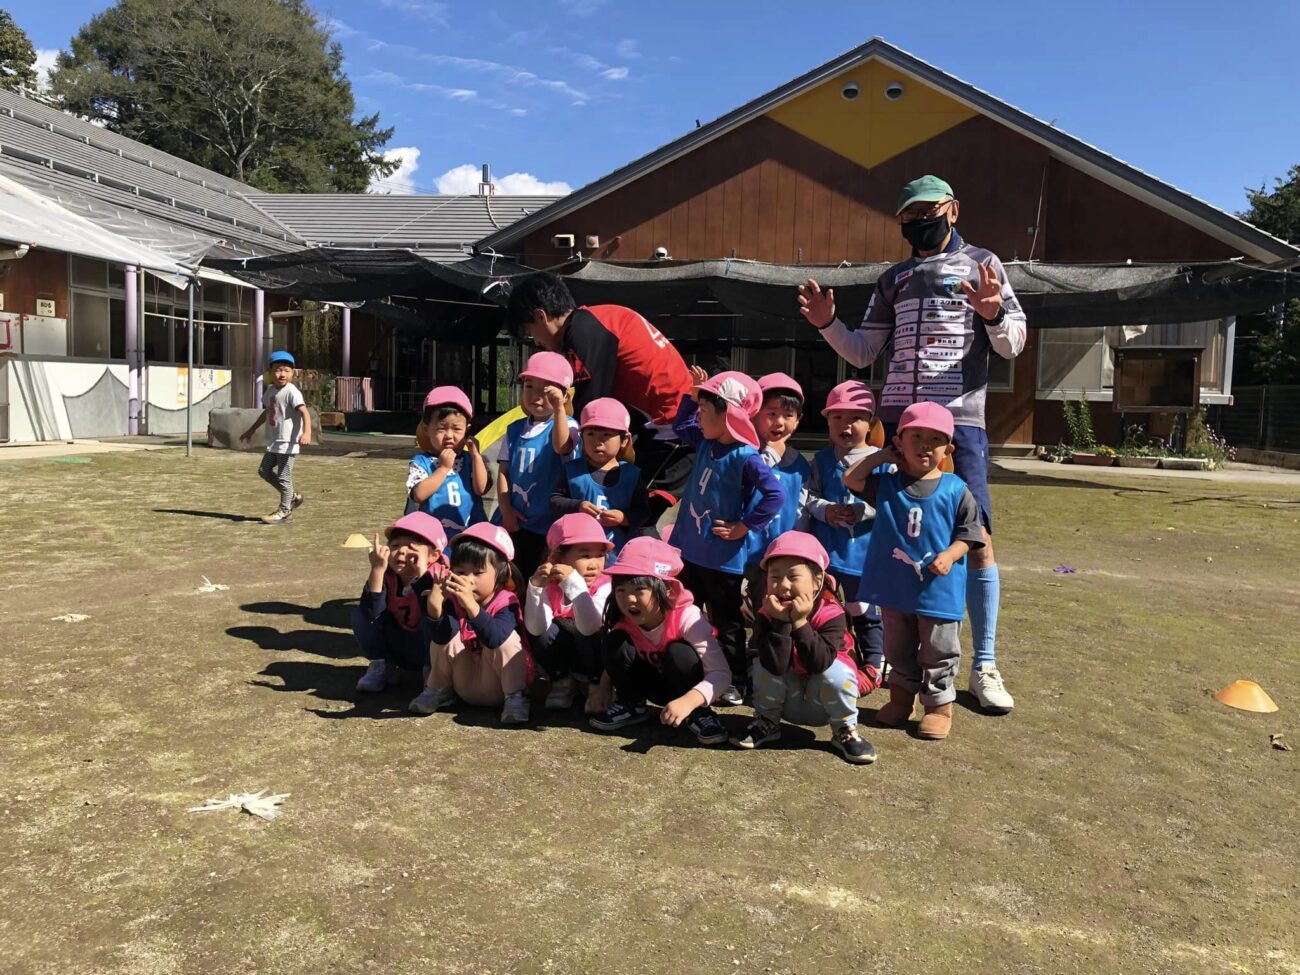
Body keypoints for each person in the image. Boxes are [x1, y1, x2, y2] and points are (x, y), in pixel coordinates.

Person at [798, 174, 1024, 714]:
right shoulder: (892, 279)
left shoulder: (984, 264)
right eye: (907, 216)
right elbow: (862, 352)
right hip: (898, 419)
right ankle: (901, 670)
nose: (918, 221)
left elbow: (1014, 341)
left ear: (953, 208)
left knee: (977, 537)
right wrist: (829, 325)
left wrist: (991, 311)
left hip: (958, 422)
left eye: (927, 211)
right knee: (897, 533)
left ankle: (984, 663)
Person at [844, 402, 986, 741]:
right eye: (916, 437)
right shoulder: (887, 485)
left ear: (948, 448)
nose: (924, 445)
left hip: (937, 590)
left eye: (935, 439)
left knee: (938, 649)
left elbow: (970, 534)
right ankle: (901, 698)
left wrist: (951, 556)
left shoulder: (956, 489)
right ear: (899, 441)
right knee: (898, 647)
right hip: (896, 588)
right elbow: (851, 478)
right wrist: (881, 457)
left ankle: (938, 706)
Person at [506, 271, 693, 519]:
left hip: (672, 428)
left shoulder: (583, 330)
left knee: (632, 514)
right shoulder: (595, 320)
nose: (536, 342)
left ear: (541, 316)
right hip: (663, 422)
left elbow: (592, 406)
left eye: (531, 332)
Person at [672, 367, 785, 705]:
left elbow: (774, 496)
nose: (699, 414)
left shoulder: (747, 458)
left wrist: (744, 526)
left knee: (728, 622)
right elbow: (680, 425)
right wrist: (689, 396)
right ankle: (690, 671)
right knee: (684, 612)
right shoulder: (704, 440)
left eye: (706, 408)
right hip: (688, 550)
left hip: (722, 558)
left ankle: (735, 680)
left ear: (730, 414)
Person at [735, 532, 878, 765]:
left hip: (822, 702)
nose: (783, 586)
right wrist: (781, 621)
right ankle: (767, 722)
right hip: (786, 702)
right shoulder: (766, 613)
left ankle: (844, 730)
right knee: (761, 663)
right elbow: (774, 665)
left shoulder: (832, 614)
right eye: (775, 577)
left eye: (793, 577)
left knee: (837, 671)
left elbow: (819, 664)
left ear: (817, 581)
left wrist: (800, 623)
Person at [588, 536, 730, 745]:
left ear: (667, 589)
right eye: (621, 590)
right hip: (654, 686)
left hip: (690, 689)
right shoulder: (624, 620)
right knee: (614, 641)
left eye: (639, 590)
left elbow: (722, 673)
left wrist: (689, 701)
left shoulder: (688, 617)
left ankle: (699, 713)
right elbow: (614, 659)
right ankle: (632, 704)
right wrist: (603, 687)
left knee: (679, 652)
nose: (629, 599)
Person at [410, 523, 532, 725]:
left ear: (501, 573)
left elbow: (495, 638)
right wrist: (435, 606)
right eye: (461, 571)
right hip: (465, 684)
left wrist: (470, 605)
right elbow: (441, 638)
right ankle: (437, 691)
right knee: (446, 636)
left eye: (478, 572)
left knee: (509, 640)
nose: (467, 579)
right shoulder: (453, 598)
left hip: (500, 686)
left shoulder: (507, 600)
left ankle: (516, 699)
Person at [806, 380, 884, 691]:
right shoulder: (822, 460)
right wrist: (825, 510)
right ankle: (834, 658)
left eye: (855, 418)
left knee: (865, 613)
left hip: (864, 558)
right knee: (826, 611)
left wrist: (862, 511)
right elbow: (808, 497)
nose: (845, 425)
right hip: (828, 557)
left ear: (871, 423)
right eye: (837, 417)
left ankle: (875, 663)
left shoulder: (881, 461)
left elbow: (889, 504)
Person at [493, 351, 580, 576]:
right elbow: (504, 472)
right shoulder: (514, 429)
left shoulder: (569, 425)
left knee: (540, 578)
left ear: (565, 397)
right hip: (514, 520)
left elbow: (562, 446)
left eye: (546, 390)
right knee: (509, 576)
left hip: (548, 525)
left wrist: (559, 409)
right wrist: (505, 509)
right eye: (529, 386)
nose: (536, 395)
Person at [524, 513, 613, 713]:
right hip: (567, 658)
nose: (594, 564)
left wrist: (574, 583)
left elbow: (591, 626)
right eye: (584, 555)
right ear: (558, 558)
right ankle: (562, 681)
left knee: (587, 630)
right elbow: (536, 628)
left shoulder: (605, 586)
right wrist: (536, 588)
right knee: (544, 633)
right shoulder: (551, 586)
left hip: (596, 659)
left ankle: (594, 684)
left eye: (599, 555)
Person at [352, 513, 448, 693]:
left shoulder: (439, 577)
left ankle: (434, 673)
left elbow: (437, 620)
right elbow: (371, 611)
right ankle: (382, 666)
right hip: (399, 645)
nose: (401, 552)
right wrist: (377, 570)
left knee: (434, 619)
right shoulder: (387, 575)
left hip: (429, 648)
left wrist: (421, 576)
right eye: (395, 546)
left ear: (434, 555)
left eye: (411, 547)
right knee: (360, 615)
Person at [550, 397, 652, 563]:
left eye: (606, 435)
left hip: (618, 557)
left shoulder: (632, 474)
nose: (597, 442)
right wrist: (578, 506)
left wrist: (623, 517)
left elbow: (643, 512)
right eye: (590, 434)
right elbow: (555, 501)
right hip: (577, 559)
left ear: (624, 440)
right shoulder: (572, 470)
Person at [742, 372, 812, 608]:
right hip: (743, 546)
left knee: (773, 608)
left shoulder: (800, 464)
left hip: (779, 554)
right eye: (771, 414)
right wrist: (771, 452)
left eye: (788, 415)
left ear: (798, 421)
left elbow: (802, 509)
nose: (779, 422)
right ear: (754, 415)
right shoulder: (746, 454)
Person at [239, 350, 311, 525]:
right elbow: (267, 412)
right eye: (278, 370)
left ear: (293, 373)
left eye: (286, 370)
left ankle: (285, 511)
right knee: (264, 471)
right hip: (274, 442)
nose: (282, 374)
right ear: (270, 373)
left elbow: (304, 412)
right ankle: (292, 496)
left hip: (288, 442)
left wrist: (307, 432)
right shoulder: (270, 391)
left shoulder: (291, 392)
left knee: (284, 476)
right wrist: (251, 430)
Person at [407, 386, 488, 537]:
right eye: (441, 429)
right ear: (426, 429)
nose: (449, 435)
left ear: (467, 429)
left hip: (470, 536)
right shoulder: (421, 462)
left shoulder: (470, 460)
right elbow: (418, 495)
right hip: (435, 539)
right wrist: (443, 468)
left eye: (457, 429)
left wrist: (477, 456)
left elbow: (481, 489)